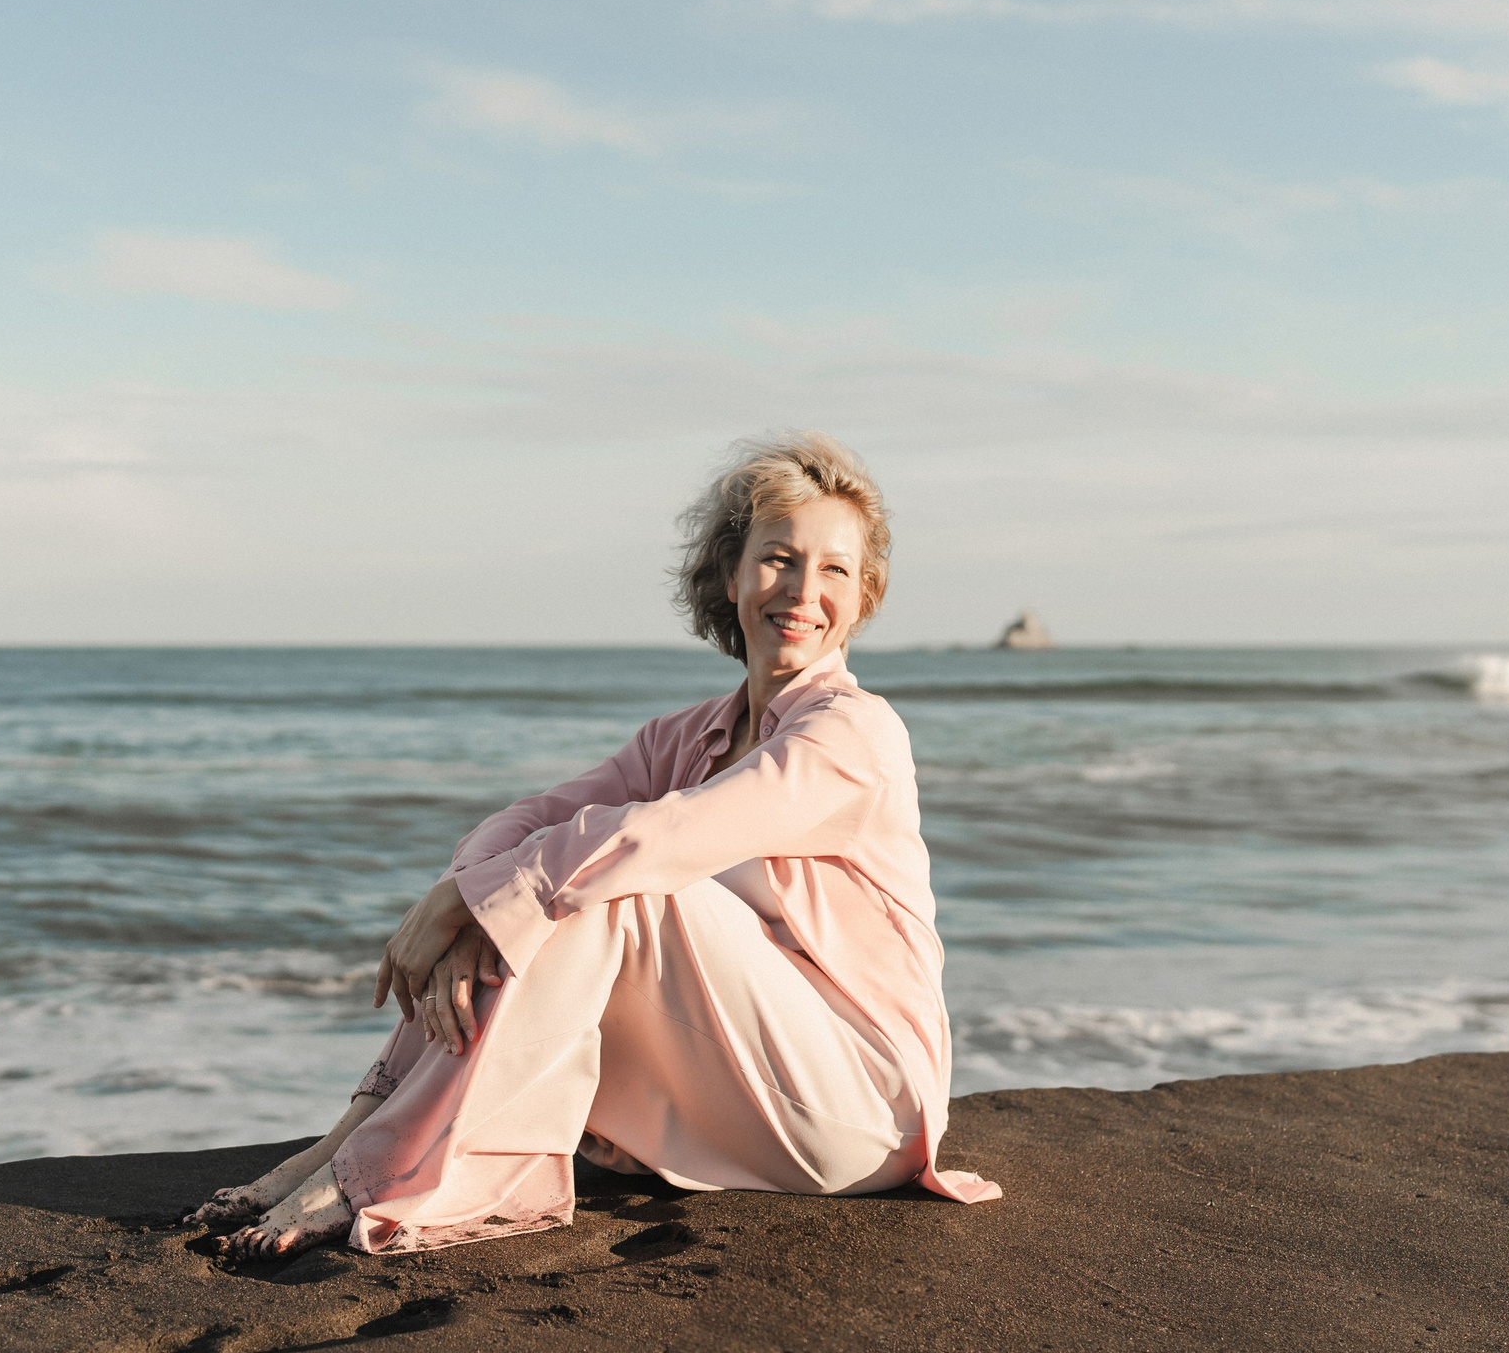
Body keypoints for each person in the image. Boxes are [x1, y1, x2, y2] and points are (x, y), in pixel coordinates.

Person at [184, 431, 1001, 1257]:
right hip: (744, 1087)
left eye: (834, 570)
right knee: (556, 871)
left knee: (616, 880)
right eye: (778, 558)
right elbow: (532, 818)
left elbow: (666, 836)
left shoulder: (856, 734)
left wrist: (474, 899)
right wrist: (466, 897)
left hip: (862, 1109)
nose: (801, 589)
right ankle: (346, 1142)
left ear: (863, 596)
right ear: (730, 574)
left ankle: (380, 1166)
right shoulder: (684, 738)